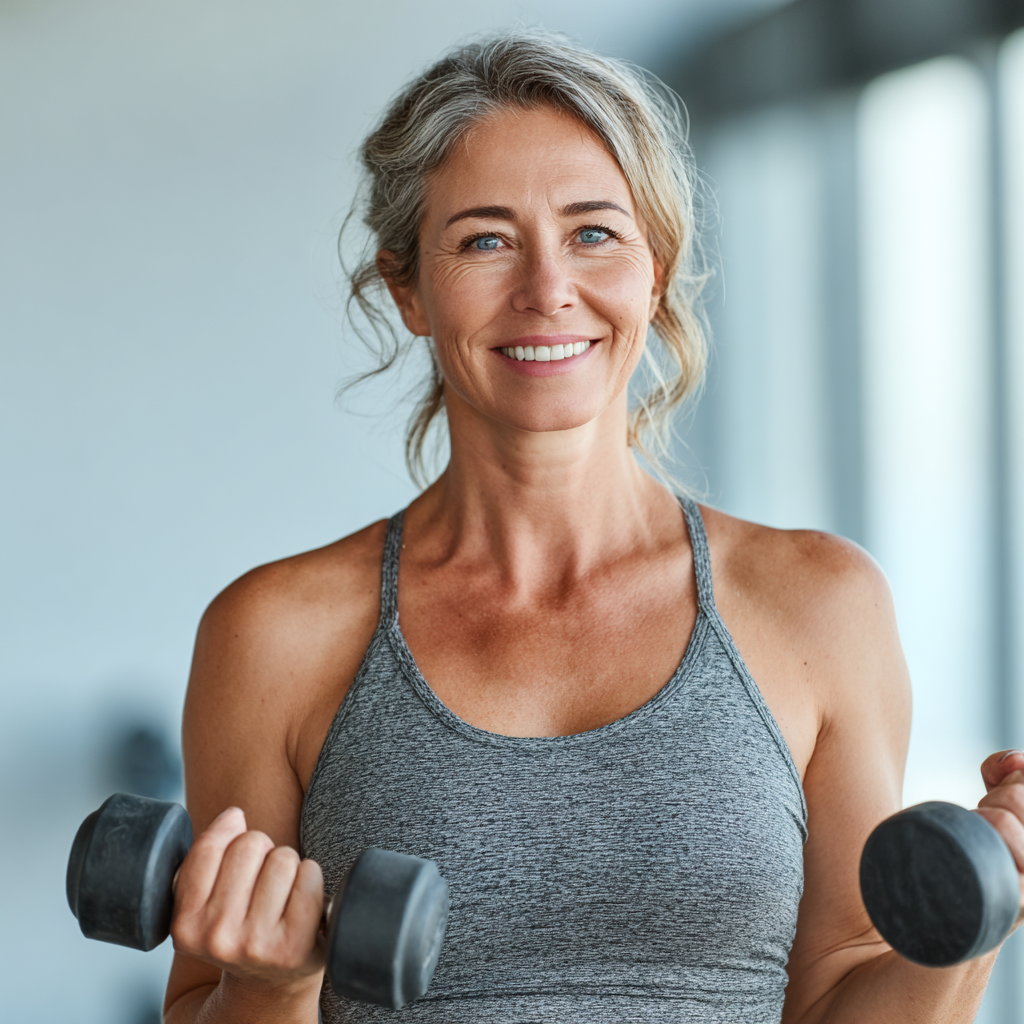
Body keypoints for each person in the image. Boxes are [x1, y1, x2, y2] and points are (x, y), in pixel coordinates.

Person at [162, 31, 1024, 1024]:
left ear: (654, 271)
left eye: (593, 233)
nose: (546, 290)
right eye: (485, 239)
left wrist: (971, 916)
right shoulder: (274, 632)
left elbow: (840, 994)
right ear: (407, 290)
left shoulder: (818, 604)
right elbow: (200, 1003)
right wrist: (273, 985)